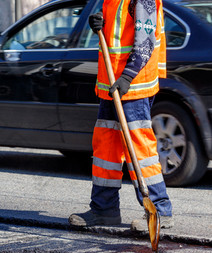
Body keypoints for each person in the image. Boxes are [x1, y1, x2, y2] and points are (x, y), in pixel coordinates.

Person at [69, 0, 173, 231]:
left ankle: (159, 211)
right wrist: (99, 24)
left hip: (133, 85)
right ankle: (103, 209)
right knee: (106, 148)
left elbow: (145, 43)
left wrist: (127, 76)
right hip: (110, 85)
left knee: (139, 150)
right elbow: (119, 34)